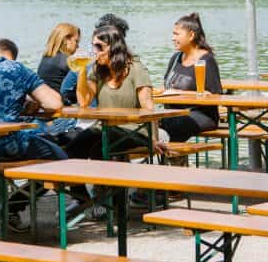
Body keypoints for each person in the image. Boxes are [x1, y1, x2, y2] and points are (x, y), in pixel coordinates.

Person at [0, 38, 68, 233]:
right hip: (0, 145)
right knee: (60, 160)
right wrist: (32, 99)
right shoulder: (18, 70)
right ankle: (10, 209)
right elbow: (55, 104)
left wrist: (21, 101)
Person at [66, 23, 157, 159]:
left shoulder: (135, 69)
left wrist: (154, 140)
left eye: (99, 47)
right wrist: (82, 69)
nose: (95, 51)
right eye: (93, 46)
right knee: (76, 144)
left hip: (135, 130)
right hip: (105, 128)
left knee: (99, 146)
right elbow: (84, 101)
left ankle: (105, 180)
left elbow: (149, 108)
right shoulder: (98, 70)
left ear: (114, 47)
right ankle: (74, 180)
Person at [158, 12, 222, 142]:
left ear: (191, 35)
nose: (172, 38)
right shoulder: (176, 58)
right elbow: (165, 87)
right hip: (173, 113)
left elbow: (216, 96)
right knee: (150, 123)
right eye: (173, 34)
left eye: (176, 34)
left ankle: (175, 159)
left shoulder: (206, 60)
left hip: (201, 115)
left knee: (173, 125)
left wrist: (181, 94)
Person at [37, 23, 81, 92]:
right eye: (76, 41)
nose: (78, 46)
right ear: (66, 39)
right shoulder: (66, 62)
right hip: (59, 100)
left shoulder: (46, 58)